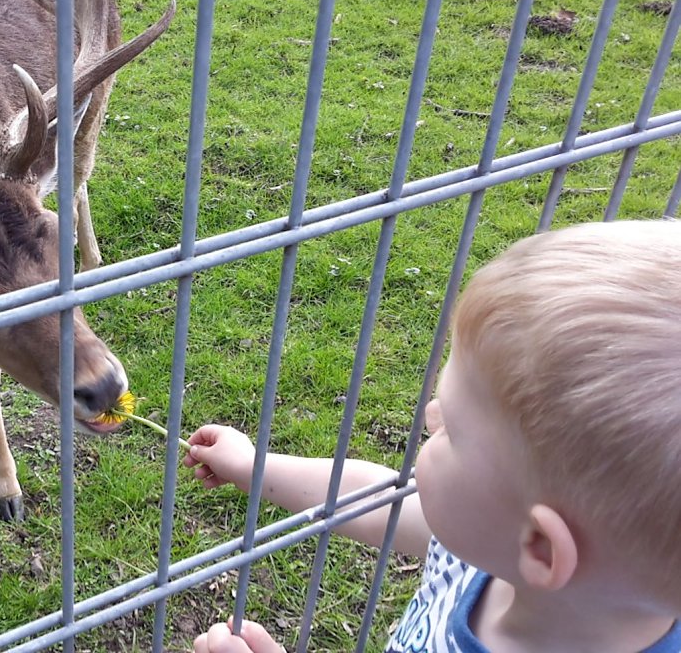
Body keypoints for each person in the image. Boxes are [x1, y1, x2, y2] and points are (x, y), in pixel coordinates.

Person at [183, 219, 681, 653]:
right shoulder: (492, 545)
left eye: (456, 432)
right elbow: (380, 502)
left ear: (543, 549)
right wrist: (255, 467)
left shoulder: (489, 537)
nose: (431, 415)